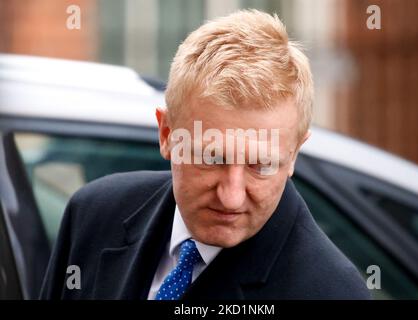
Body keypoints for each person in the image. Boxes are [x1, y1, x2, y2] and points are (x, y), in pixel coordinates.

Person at [40, 9, 370, 300]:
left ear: (295, 153)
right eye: (212, 159)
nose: (231, 197)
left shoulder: (329, 290)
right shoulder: (92, 216)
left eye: (261, 165)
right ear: (166, 133)